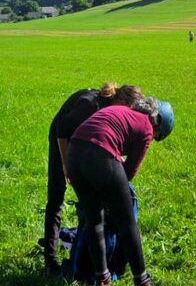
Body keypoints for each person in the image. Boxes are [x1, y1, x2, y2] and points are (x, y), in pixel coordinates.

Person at [66, 95, 174, 286]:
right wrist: (113, 192)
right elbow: (129, 171)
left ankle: (102, 283)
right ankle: (143, 285)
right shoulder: (146, 126)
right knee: (126, 222)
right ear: (158, 121)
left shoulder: (120, 111)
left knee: (94, 220)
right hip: (99, 153)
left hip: (74, 154)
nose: (153, 138)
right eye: (157, 136)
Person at [43, 82, 141, 275]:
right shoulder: (90, 104)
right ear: (121, 101)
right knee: (56, 195)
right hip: (62, 140)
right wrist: (66, 165)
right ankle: (50, 259)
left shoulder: (111, 111)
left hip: (85, 145)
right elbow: (62, 129)